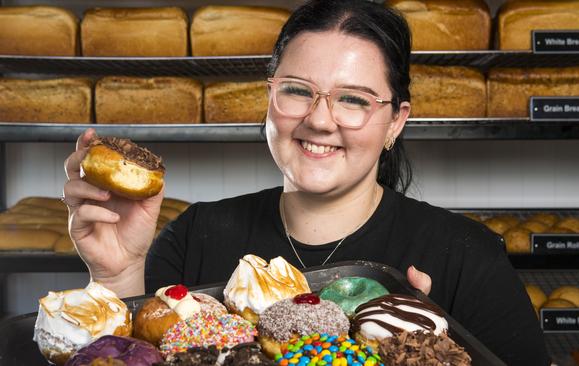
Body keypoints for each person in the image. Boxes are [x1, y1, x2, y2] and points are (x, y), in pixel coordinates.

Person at [62, 0, 550, 364]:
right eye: (297, 91)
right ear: (270, 97)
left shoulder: (467, 258)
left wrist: (426, 350)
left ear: (396, 122)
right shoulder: (195, 236)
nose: (319, 121)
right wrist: (117, 275)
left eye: (353, 99)